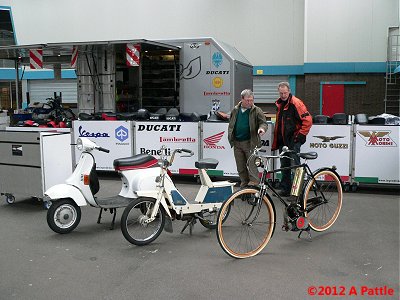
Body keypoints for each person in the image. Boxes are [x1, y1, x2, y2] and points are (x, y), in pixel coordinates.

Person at [271, 82, 312, 197]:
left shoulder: (296, 103)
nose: (283, 95)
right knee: (284, 166)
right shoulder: (279, 104)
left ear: (289, 91)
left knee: (295, 167)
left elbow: (308, 120)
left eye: (285, 93)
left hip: (293, 141)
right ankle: (286, 189)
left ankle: (296, 194)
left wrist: (300, 135)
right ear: (278, 92)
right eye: (281, 93)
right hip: (282, 141)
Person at [228, 89, 267, 188]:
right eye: (247, 100)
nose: (250, 102)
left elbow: (263, 122)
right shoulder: (235, 110)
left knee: (252, 166)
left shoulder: (256, 110)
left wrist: (262, 129)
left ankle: (254, 187)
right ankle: (244, 185)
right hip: (237, 143)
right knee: (240, 167)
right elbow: (231, 123)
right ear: (242, 99)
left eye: (251, 100)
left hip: (250, 143)